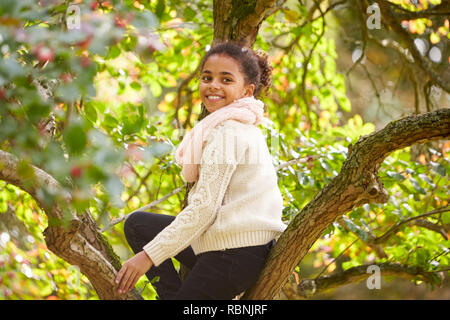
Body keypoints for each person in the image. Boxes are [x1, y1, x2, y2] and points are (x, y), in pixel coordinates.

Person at [115, 41, 287, 300]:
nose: (214, 85)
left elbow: (204, 208)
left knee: (146, 238)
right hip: (224, 241)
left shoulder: (228, 132)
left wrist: (147, 257)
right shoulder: (234, 127)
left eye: (226, 79)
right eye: (207, 77)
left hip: (235, 253)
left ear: (246, 91)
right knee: (138, 225)